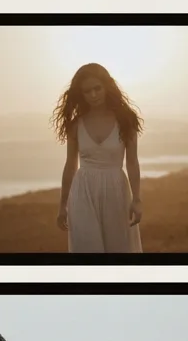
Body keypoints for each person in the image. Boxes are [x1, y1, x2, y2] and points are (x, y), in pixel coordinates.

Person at [51, 63, 144, 253]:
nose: (93, 95)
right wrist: (63, 205)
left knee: (119, 249)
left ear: (107, 87)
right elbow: (70, 164)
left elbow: (132, 162)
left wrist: (137, 199)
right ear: (81, 94)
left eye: (97, 88)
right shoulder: (76, 125)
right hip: (83, 192)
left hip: (116, 190)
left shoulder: (126, 120)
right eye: (87, 91)